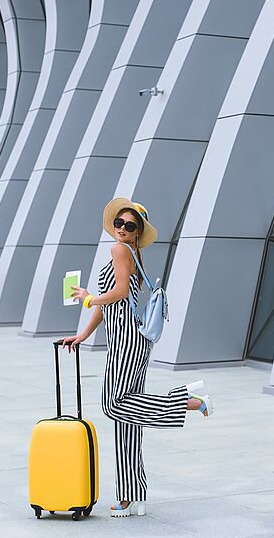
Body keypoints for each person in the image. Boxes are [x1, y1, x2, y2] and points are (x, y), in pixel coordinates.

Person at [62, 197, 213, 518]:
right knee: (126, 418)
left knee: (113, 404)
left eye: (130, 226)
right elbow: (106, 307)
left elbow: (116, 294)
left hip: (128, 339)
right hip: (125, 339)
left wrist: (88, 297)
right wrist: (83, 334)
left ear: (137, 232)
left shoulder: (120, 251)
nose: (122, 229)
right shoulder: (128, 253)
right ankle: (132, 494)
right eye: (119, 223)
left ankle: (189, 399)